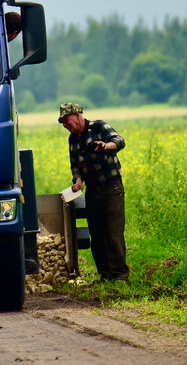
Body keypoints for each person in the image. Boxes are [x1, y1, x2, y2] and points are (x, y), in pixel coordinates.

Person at [58, 101, 129, 281]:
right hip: (92, 191)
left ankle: (120, 275)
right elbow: (75, 166)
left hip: (111, 188)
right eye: (63, 123)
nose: (65, 125)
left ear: (78, 116)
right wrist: (78, 181)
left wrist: (105, 146)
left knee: (113, 234)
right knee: (97, 236)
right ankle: (105, 275)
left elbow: (119, 141)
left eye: (67, 121)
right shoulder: (72, 139)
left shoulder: (99, 126)